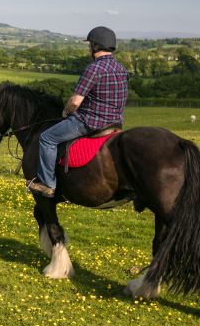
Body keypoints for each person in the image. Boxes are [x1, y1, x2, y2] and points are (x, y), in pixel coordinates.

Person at [27, 26, 129, 197]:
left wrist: (66, 112)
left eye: (90, 45)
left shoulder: (94, 69)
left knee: (47, 138)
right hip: (115, 122)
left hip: (90, 122)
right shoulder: (121, 68)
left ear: (95, 46)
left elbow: (75, 101)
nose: (89, 48)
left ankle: (47, 184)